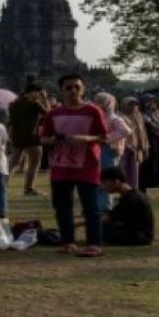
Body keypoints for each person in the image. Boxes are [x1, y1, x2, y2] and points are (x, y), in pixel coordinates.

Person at [40, 74, 108, 257]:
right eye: (68, 87)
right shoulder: (53, 114)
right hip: (61, 166)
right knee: (62, 207)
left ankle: (94, 243)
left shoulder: (93, 111)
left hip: (87, 165)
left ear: (83, 89)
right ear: (61, 90)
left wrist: (85, 138)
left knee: (90, 207)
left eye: (77, 87)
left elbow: (103, 137)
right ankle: (68, 241)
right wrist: (53, 140)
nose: (73, 91)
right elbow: (44, 139)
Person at [8, 83, 50, 195]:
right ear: (30, 92)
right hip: (32, 137)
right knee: (34, 162)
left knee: (13, 163)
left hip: (17, 136)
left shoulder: (14, 103)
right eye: (36, 92)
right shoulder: (34, 103)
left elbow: (11, 121)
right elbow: (49, 113)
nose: (37, 95)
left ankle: (2, 184)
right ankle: (29, 188)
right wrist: (44, 99)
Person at [99, 167, 154, 246]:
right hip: (140, 233)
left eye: (105, 183)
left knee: (99, 229)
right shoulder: (131, 194)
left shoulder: (130, 198)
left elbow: (108, 219)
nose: (103, 187)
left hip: (140, 236)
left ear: (116, 181)